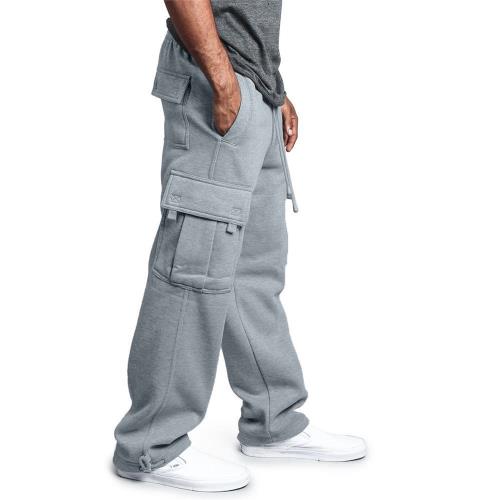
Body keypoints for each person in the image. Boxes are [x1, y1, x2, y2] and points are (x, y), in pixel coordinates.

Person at [113, 0, 366, 492]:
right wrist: (223, 80)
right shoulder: (219, 80)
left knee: (254, 268)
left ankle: (274, 420)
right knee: (193, 266)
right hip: (214, 82)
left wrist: (273, 88)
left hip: (254, 86)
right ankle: (150, 444)